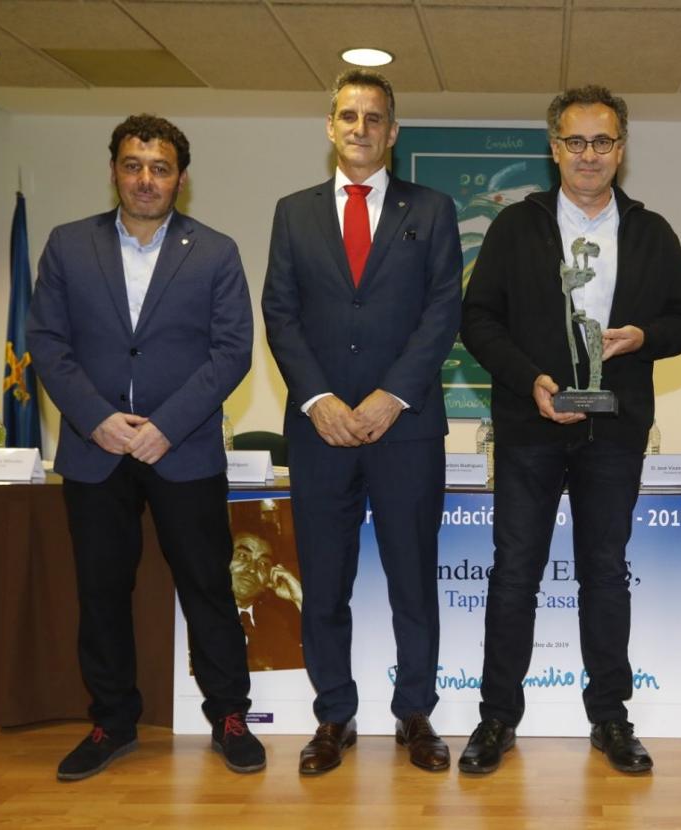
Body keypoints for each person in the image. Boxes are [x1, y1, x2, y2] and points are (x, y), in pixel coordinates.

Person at [458, 85, 681, 775]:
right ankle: (496, 719)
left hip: (614, 432)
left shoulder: (651, 232)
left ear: (621, 150)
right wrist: (530, 379)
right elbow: (478, 319)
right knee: (514, 575)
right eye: (575, 141)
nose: (588, 154)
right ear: (553, 148)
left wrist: (640, 337)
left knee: (604, 574)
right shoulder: (517, 226)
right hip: (530, 427)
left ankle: (612, 719)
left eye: (602, 142)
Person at [27, 114, 262, 780]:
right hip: (93, 451)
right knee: (102, 591)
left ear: (180, 179)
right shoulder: (69, 246)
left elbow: (231, 352)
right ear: (114, 171)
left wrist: (168, 424)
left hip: (181, 451)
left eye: (160, 168)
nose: (146, 179)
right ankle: (112, 720)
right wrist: (98, 418)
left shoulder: (214, 252)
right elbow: (47, 343)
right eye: (133, 165)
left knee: (208, 588)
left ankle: (229, 716)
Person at [261, 69, 462, 775]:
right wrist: (320, 401)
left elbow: (443, 313)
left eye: (374, 118)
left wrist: (389, 397)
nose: (360, 128)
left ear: (392, 132)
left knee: (414, 578)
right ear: (329, 125)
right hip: (320, 431)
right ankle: (334, 717)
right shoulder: (294, 212)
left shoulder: (432, 210)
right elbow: (280, 315)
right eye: (348, 116)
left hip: (405, 427)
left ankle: (415, 714)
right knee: (324, 580)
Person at [229, 531, 305, 671]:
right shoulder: (191, 617)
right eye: (242, 555)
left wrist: (299, 599)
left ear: (270, 578)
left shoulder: (275, 623)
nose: (252, 569)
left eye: (263, 563)